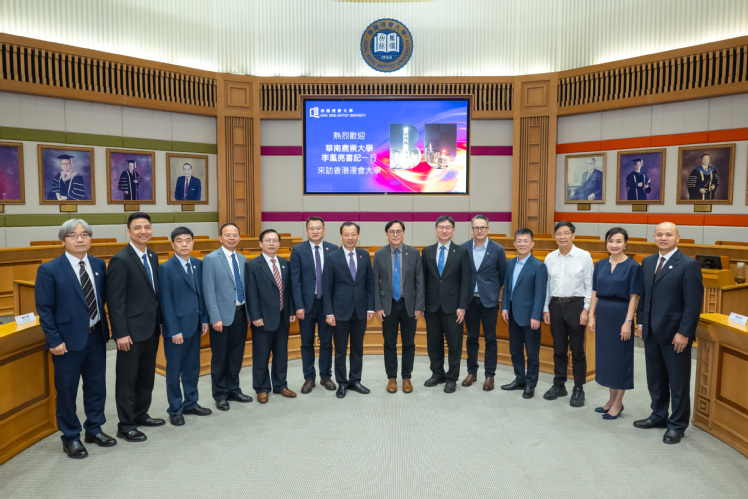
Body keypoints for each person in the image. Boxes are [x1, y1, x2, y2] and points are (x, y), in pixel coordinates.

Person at [35, 219, 116, 458]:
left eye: (84, 234)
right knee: (67, 391)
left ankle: (94, 428)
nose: (80, 239)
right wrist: (54, 340)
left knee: (96, 387)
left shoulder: (99, 264)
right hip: (66, 342)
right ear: (63, 240)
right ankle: (70, 437)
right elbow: (44, 309)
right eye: (73, 235)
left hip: (96, 337)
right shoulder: (49, 269)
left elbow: (102, 299)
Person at [634, 222, 703, 444]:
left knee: (678, 382)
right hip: (651, 332)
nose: (663, 238)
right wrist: (641, 322)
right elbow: (644, 296)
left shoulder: (689, 265)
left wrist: (684, 332)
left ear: (678, 238)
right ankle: (658, 415)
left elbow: (693, 304)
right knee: (655, 379)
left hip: (675, 335)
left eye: (669, 235)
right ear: (654, 237)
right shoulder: (647, 262)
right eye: (660, 234)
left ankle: (677, 425)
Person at [107, 212, 164, 442]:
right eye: (138, 227)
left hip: (151, 328)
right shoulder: (120, 260)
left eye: (147, 227)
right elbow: (115, 301)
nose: (143, 231)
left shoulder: (152, 255)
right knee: (127, 379)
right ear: (128, 231)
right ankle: (126, 424)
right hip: (130, 332)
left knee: (146, 376)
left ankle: (141, 414)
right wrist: (120, 333)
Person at [157, 227, 211, 426]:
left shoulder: (198, 264)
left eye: (188, 240)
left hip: (195, 325)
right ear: (172, 244)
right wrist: (173, 330)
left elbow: (202, 294)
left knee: (192, 368)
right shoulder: (166, 268)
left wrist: (204, 319)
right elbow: (165, 302)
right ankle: (175, 409)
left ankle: (191, 402)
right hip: (177, 329)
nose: (184, 244)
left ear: (193, 243)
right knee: (174, 371)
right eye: (179, 241)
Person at [587, 227, 641, 420]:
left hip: (621, 315)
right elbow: (595, 292)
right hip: (603, 316)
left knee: (620, 360)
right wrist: (591, 315)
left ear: (625, 244)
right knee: (608, 360)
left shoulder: (633, 266)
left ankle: (618, 403)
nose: (614, 245)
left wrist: (628, 322)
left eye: (619, 241)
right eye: (611, 241)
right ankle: (611, 400)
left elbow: (634, 296)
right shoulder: (600, 264)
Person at [542, 221, 593, 407]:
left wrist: (586, 309)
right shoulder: (550, 257)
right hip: (555, 305)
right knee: (559, 348)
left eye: (566, 233)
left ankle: (578, 388)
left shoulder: (584, 256)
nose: (562, 237)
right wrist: (545, 308)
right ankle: (559, 384)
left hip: (576, 306)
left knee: (577, 350)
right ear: (555, 236)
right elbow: (547, 286)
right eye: (559, 233)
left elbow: (590, 285)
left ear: (573, 235)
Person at [202, 223, 252, 411]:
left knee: (236, 356)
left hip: (240, 314)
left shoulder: (242, 258)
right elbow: (209, 291)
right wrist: (215, 317)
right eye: (227, 234)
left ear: (239, 237)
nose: (232, 238)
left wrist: (249, 314)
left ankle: (234, 389)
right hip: (221, 317)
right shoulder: (211, 259)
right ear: (220, 238)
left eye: (235, 235)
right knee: (220, 357)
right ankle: (220, 394)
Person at [322, 222, 374, 399]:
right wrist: (329, 312)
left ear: (358, 236)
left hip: (360, 311)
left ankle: (355, 380)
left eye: (353, 234)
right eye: (346, 234)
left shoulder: (364, 256)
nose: (350, 238)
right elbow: (326, 288)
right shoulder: (332, 257)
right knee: (340, 351)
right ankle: (342, 383)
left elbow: (369, 284)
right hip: (339, 313)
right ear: (341, 236)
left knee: (357, 349)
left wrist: (370, 307)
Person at [373, 220, 425, 393]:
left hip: (409, 306)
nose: (395, 235)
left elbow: (420, 281)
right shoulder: (379, 254)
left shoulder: (414, 253)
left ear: (403, 233)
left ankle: (406, 377)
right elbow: (375, 283)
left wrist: (419, 305)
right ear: (386, 234)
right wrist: (378, 306)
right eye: (391, 231)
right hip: (387, 306)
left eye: (398, 231)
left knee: (409, 343)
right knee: (389, 343)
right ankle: (392, 378)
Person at [246, 229, 297, 403]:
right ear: (260, 243)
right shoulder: (253, 265)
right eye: (268, 240)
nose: (271, 243)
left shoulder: (285, 263)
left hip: (282, 317)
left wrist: (291, 311)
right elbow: (251, 293)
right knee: (261, 355)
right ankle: (262, 388)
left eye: (275, 240)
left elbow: (288, 290)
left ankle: (281, 385)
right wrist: (255, 316)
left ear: (279, 243)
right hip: (262, 318)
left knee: (281, 354)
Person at [421, 215, 471, 394]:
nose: (444, 230)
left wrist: (462, 306)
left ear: (453, 230)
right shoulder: (427, 252)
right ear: (436, 230)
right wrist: (422, 305)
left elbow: (466, 281)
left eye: (448, 227)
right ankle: (437, 374)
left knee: (454, 345)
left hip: (454, 307)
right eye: (441, 227)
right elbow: (423, 280)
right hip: (432, 306)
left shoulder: (462, 252)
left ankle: (451, 378)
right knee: (433, 343)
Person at [290, 216, 338, 394]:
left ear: (324, 230)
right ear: (306, 231)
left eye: (319, 228)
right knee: (306, 342)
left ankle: (325, 376)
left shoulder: (333, 249)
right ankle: (309, 378)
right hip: (306, 305)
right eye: (312, 228)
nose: (315, 231)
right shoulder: (298, 250)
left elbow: (336, 279)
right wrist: (298, 305)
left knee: (326, 342)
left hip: (327, 305)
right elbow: (295, 281)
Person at [500, 228, 547, 399]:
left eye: (526, 241)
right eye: (519, 241)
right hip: (512, 314)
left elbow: (540, 293)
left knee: (532, 353)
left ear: (532, 244)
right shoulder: (510, 263)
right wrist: (504, 307)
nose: (522, 244)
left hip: (530, 317)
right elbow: (507, 287)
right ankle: (520, 379)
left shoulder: (539, 266)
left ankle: (531, 383)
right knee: (515, 350)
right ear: (514, 244)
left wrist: (536, 316)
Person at [460, 215, 506, 391]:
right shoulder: (463, 248)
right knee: (471, 337)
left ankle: (489, 375)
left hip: (489, 301)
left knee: (490, 339)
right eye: (476, 228)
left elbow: (502, 275)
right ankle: (472, 372)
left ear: (488, 229)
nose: (479, 231)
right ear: (472, 230)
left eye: (483, 227)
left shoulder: (498, 249)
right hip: (470, 300)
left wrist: (491, 290)